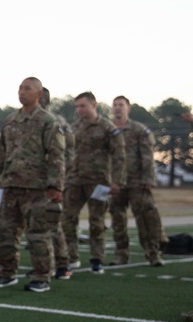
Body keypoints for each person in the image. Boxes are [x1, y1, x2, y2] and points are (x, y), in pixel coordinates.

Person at [0, 77, 65, 293]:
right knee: (6, 233)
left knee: (38, 234)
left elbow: (56, 155)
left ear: (38, 94)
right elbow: (1, 151)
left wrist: (56, 186)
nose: (21, 92)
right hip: (10, 186)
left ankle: (41, 276)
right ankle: (6, 273)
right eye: (20, 88)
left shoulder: (48, 121)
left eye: (27, 89)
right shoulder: (10, 120)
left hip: (37, 189)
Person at [59, 92, 125, 276]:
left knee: (96, 222)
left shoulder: (107, 128)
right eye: (77, 107)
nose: (79, 110)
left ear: (93, 105)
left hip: (99, 182)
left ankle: (97, 259)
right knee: (67, 219)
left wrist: (117, 181)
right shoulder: (72, 128)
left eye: (83, 106)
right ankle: (71, 258)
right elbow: (65, 154)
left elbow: (119, 156)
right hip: (73, 181)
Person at [107, 96, 164, 267]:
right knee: (117, 219)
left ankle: (153, 253)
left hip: (137, 181)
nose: (117, 108)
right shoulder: (107, 130)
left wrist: (148, 178)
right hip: (115, 183)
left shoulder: (139, 129)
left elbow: (147, 156)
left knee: (146, 218)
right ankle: (121, 255)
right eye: (115, 105)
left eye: (121, 105)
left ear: (128, 108)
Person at [40, 87, 76, 279]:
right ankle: (44, 266)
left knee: (53, 224)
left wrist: (59, 180)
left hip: (51, 182)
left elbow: (68, 151)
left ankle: (62, 265)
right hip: (30, 182)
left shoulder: (57, 122)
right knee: (36, 229)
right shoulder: (22, 120)